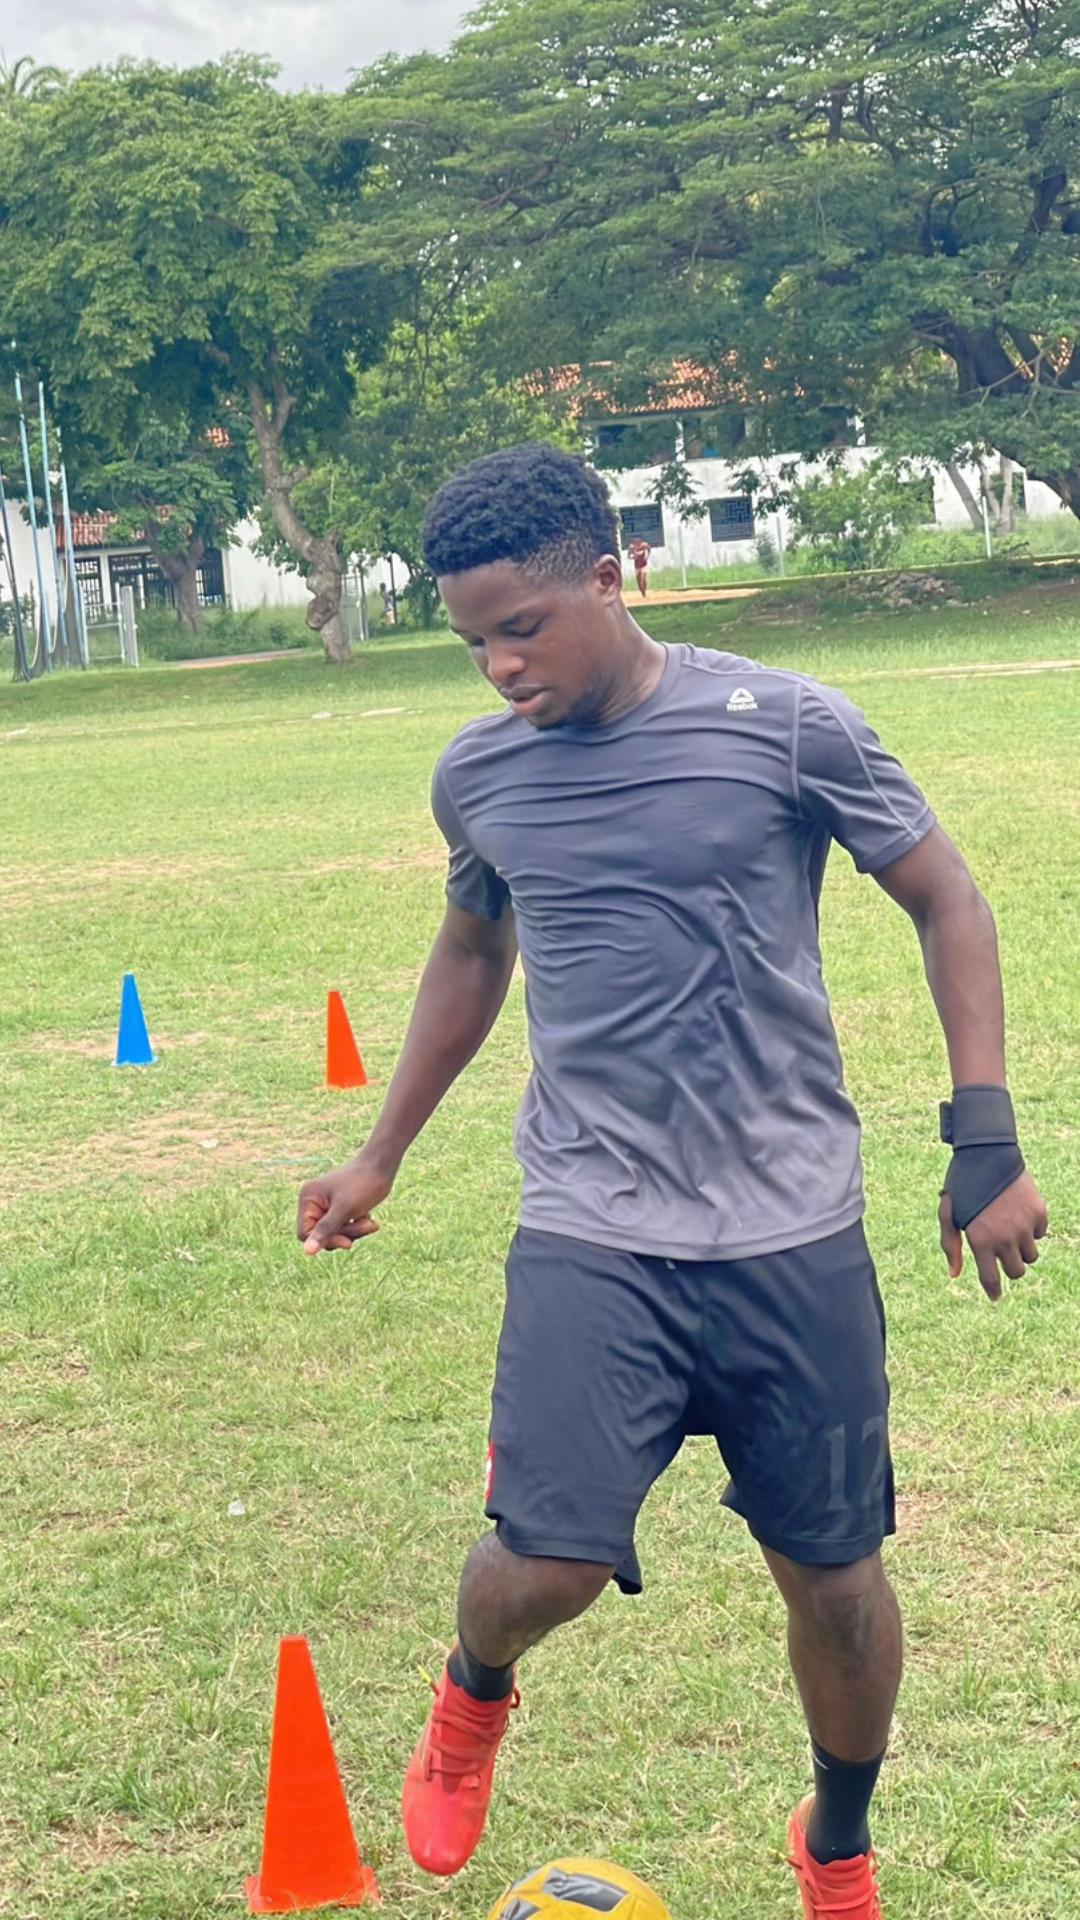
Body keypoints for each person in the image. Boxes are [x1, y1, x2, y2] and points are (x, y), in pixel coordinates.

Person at [296, 443, 1048, 1920]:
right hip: (595, 1225)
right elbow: (473, 949)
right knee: (546, 1566)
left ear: (608, 576)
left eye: (523, 628)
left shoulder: (787, 726)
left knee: (837, 1585)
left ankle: (837, 1840)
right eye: (473, 644)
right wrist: (380, 1154)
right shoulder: (480, 778)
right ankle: (473, 1692)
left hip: (792, 1229)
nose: (501, 668)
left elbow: (947, 897)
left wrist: (985, 1136)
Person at [627, 532, 651, 597]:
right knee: (638, 580)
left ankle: (644, 591)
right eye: (635, 540)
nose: (637, 541)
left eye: (638, 540)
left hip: (644, 564)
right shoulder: (631, 547)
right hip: (637, 566)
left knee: (643, 578)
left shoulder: (644, 545)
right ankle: (642, 593)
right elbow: (628, 556)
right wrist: (633, 557)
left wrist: (647, 556)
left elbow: (649, 549)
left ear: (640, 540)